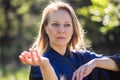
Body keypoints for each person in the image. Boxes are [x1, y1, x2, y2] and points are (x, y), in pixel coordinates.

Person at [19, 1, 120, 80]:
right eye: (55, 24)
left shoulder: (83, 58)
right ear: (45, 28)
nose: (61, 30)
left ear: (73, 29)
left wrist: (95, 62)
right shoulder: (40, 64)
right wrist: (45, 65)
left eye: (67, 25)